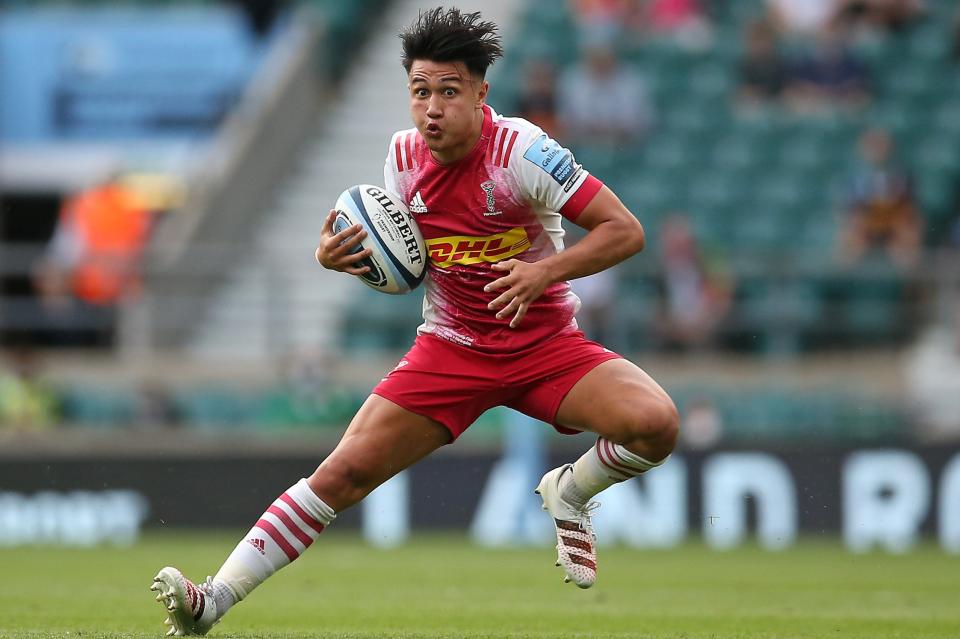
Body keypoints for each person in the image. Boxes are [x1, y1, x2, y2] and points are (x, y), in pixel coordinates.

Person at [151, 8, 678, 636]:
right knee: (341, 474)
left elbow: (627, 231)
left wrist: (544, 272)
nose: (431, 108)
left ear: (481, 94)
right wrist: (336, 257)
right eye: (419, 91)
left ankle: (570, 491)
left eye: (448, 92)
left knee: (656, 426)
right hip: (451, 349)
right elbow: (399, 261)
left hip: (544, 347)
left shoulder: (523, 151)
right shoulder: (402, 160)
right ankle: (211, 601)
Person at [838, 128, 920, 267]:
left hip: (894, 222)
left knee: (908, 232)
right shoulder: (855, 177)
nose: (877, 152)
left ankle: (909, 280)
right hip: (866, 223)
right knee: (849, 237)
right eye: (872, 147)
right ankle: (842, 278)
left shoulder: (901, 174)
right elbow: (851, 207)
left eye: (880, 146)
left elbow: (907, 205)